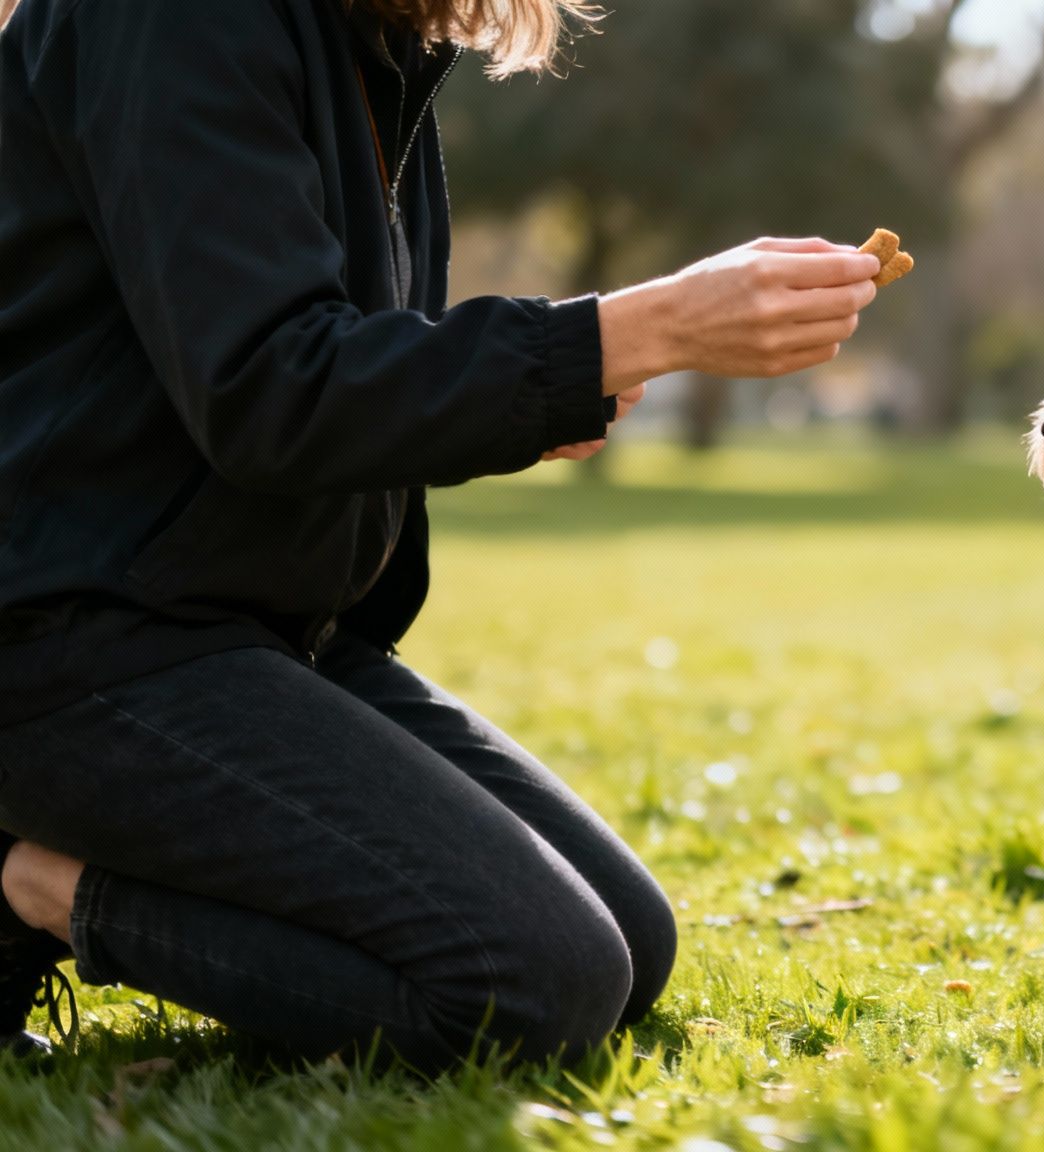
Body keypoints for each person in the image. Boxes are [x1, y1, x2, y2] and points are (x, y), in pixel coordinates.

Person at [0, 0, 881, 1069]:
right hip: (71, 639)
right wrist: (632, 329)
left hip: (250, 626)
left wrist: (546, 387)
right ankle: (34, 886)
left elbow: (323, 354)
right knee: (535, 983)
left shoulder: (368, 42)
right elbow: (270, 387)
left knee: (629, 946)